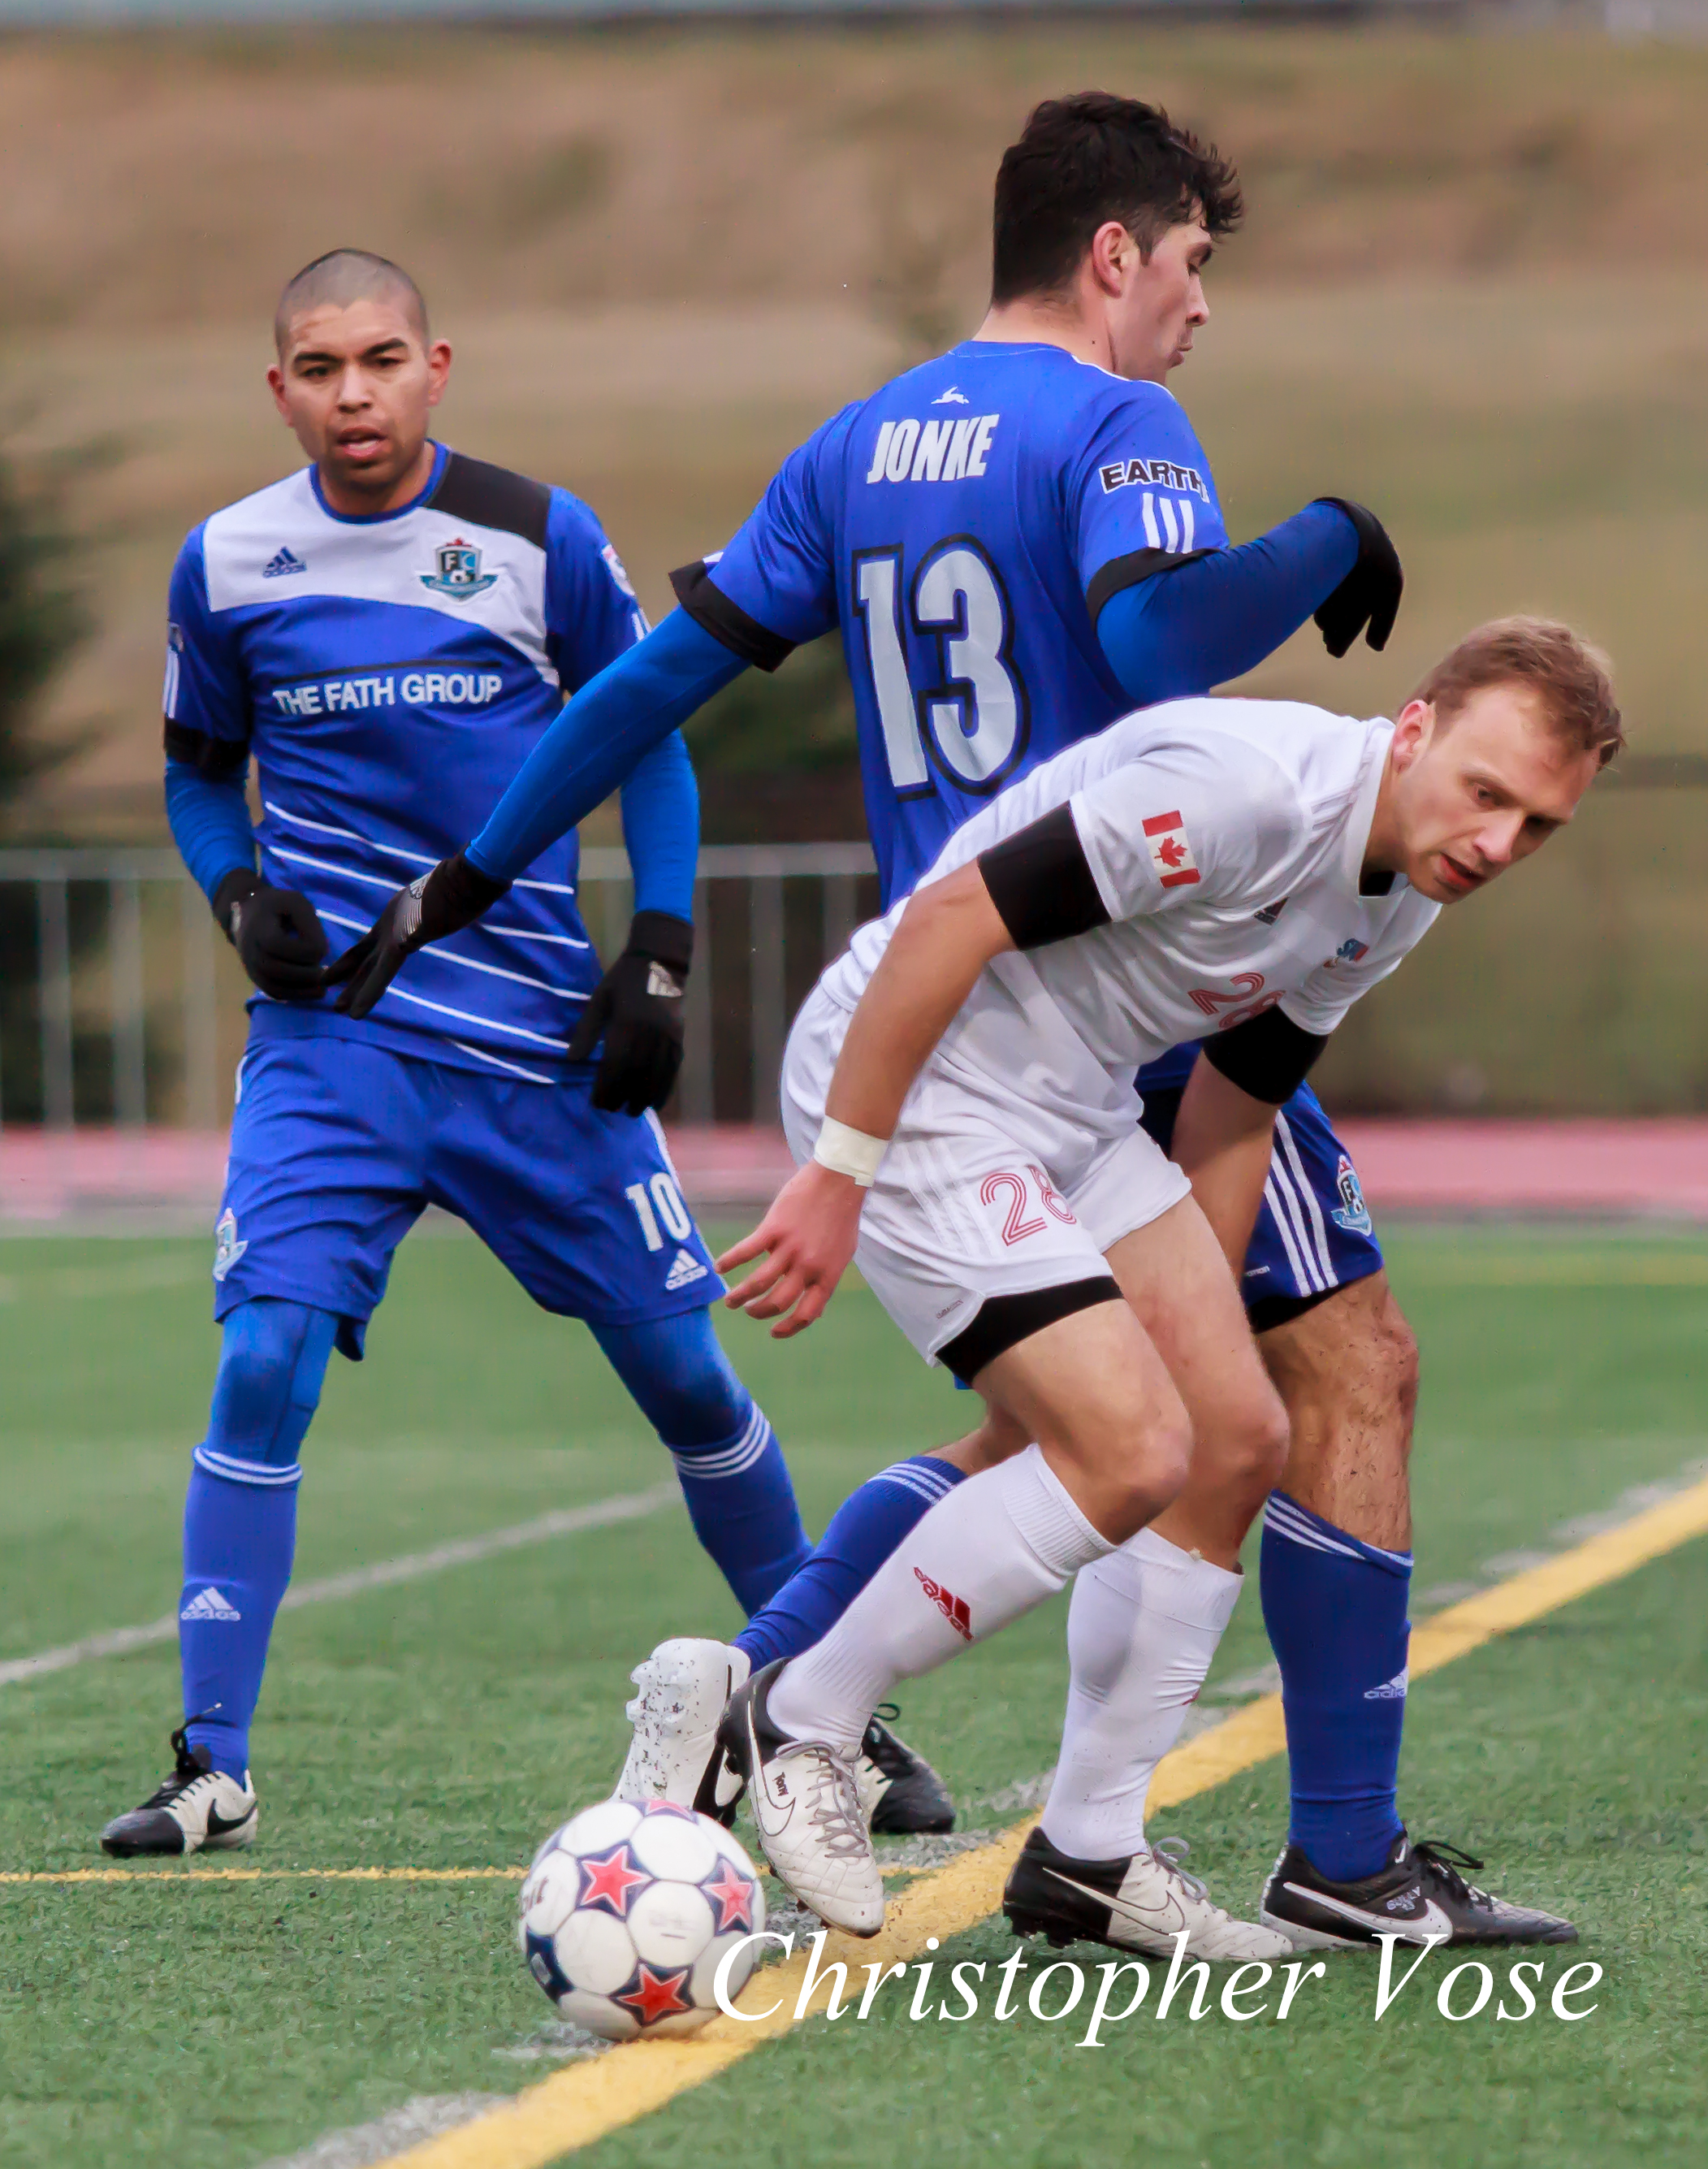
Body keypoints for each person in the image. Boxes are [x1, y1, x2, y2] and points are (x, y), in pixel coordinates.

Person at [328, 94, 1432, 1909]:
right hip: (1126, 992)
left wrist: (468, 869)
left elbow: (648, 684)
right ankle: (1328, 1852)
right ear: (1110, 255)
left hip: (958, 997)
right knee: (1320, 1379)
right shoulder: (1120, 418)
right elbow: (1160, 641)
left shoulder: (857, 441)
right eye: (1190, 265)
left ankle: (761, 1696)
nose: (1198, 309)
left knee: (1063, 1432)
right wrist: (1331, 530)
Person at [710, 622, 1619, 1946]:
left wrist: (1191, 1319)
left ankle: (1087, 1854)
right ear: (1414, 728)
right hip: (924, 1082)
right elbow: (952, 914)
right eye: (1486, 792)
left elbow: (1237, 1103)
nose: (1496, 844)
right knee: (1127, 1447)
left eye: (1537, 826)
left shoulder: (1401, 890)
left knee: (1235, 1434)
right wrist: (838, 1173)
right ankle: (801, 1712)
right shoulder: (1247, 793)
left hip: (1071, 1105)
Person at [99, 249, 828, 1859]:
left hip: (531, 1045)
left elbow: (646, 727)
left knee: (684, 1372)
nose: (350, 393)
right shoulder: (223, 563)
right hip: (330, 1046)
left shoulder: (539, 535)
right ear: (275, 388)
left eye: (379, 359)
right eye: (315, 366)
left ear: (439, 364)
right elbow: (199, 774)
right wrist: (235, 891)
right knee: (264, 1351)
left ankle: (833, 1714)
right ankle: (209, 1757)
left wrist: (659, 943)